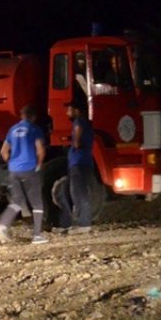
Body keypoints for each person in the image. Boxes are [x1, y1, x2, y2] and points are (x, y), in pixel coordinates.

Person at [0, 104, 48, 244]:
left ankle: (1, 226)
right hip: (29, 169)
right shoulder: (34, 129)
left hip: (14, 169)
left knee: (17, 200)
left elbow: (3, 151)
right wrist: (39, 164)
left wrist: (12, 162)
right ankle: (37, 236)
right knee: (37, 203)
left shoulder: (13, 129)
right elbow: (40, 149)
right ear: (33, 117)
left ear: (21, 115)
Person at [54, 100, 95, 234]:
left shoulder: (79, 122)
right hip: (80, 163)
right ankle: (67, 224)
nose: (67, 113)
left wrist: (75, 142)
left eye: (69, 110)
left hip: (79, 162)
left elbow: (77, 139)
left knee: (78, 193)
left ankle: (84, 225)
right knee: (69, 192)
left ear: (77, 111)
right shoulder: (84, 122)